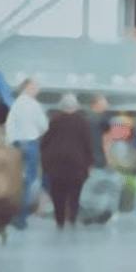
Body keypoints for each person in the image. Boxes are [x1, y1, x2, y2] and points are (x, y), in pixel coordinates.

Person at [40, 93, 94, 229]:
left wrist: (45, 161)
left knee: (58, 193)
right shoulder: (83, 122)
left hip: (56, 165)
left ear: (61, 107)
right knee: (74, 194)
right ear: (76, 107)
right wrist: (89, 162)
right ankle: (72, 218)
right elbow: (88, 144)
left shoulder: (54, 121)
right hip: (77, 165)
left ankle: (59, 221)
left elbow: (44, 142)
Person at [6, 78, 49, 230]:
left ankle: (9, 214)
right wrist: (35, 132)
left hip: (16, 145)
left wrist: (11, 143)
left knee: (15, 181)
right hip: (31, 144)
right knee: (28, 182)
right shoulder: (34, 105)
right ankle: (21, 217)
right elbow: (44, 126)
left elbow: (9, 125)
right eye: (35, 87)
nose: (37, 90)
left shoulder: (15, 104)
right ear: (28, 87)